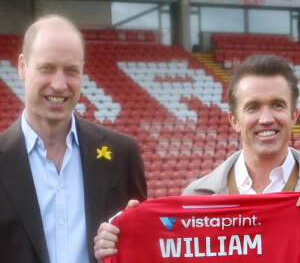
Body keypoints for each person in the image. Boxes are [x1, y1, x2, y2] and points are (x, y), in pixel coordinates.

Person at [94, 54, 300, 261]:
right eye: (253, 107)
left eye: (277, 105)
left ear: (293, 116)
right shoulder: (195, 198)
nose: (266, 119)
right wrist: (128, 233)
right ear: (234, 120)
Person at [0, 14, 147, 263]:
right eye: (47, 68)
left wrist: (130, 244)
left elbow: (143, 251)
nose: (59, 84)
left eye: (71, 71)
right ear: (22, 67)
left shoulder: (123, 154)